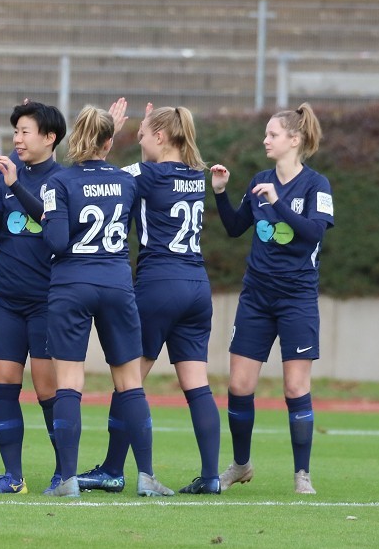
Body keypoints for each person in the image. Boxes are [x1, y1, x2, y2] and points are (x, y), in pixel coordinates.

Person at [77, 103, 221, 495]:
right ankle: (210, 476)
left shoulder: (143, 174)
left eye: (142, 134)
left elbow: (98, 179)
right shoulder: (195, 174)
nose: (138, 141)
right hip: (197, 285)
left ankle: (111, 469)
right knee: (197, 385)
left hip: (159, 283)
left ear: (160, 136)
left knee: (129, 381)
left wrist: (104, 138)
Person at [36, 101, 174, 498]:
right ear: (110, 142)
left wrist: (50, 221)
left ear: (74, 137)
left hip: (71, 285)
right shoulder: (127, 181)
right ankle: (146, 476)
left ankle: (66, 479)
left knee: (69, 383)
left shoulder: (58, 183)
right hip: (116, 282)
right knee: (130, 383)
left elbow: (57, 242)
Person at [210, 103, 332, 495]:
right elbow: (233, 228)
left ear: (294, 140)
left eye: (272, 135)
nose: (265, 140)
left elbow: (313, 233)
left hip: (297, 298)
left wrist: (278, 202)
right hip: (256, 297)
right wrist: (221, 193)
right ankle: (241, 465)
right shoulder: (259, 180)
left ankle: (302, 475)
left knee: (295, 389)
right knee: (239, 386)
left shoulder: (317, 185)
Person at [0, 101, 66, 495]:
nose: (18, 139)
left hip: (47, 301)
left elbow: (50, 224)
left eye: (26, 131)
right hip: (7, 301)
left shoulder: (63, 180)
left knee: (47, 391)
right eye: (17, 131)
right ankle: (13, 477)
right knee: (4, 383)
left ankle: (65, 473)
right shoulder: (3, 176)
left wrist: (14, 185)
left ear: (50, 138)